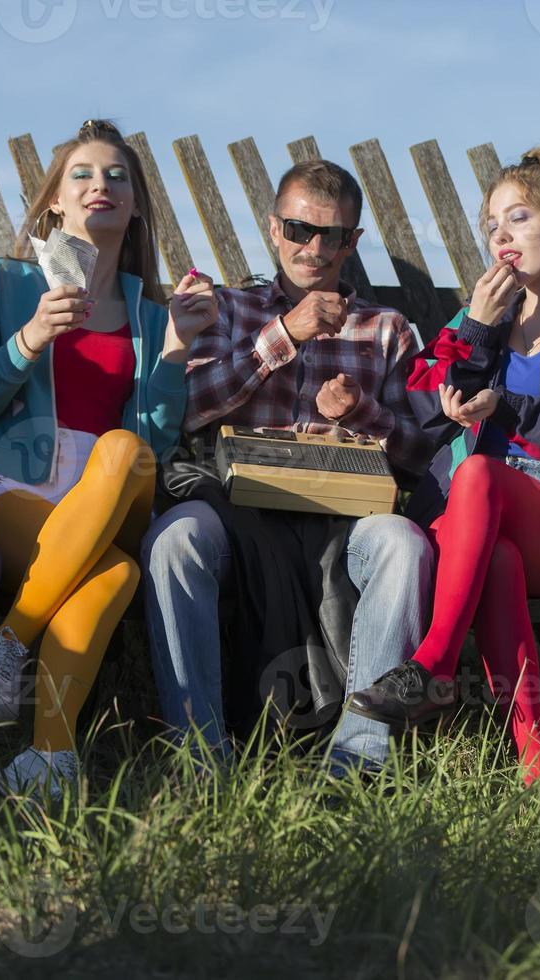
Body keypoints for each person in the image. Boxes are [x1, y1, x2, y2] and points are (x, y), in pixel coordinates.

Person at [345, 147, 540, 785]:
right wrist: (478, 331)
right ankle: (538, 763)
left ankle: (431, 666)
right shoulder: (478, 319)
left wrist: (505, 407)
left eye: (518, 217)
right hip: (473, 537)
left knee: (479, 474)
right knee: (495, 551)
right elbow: (422, 411)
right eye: (491, 225)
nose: (501, 235)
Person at [0, 119, 216, 800]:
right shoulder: (2, 283)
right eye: (84, 175)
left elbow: (151, 444)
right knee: (115, 572)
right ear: (54, 206)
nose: (102, 185)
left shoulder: (151, 315)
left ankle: (7, 644)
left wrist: (178, 348)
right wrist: (32, 337)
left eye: (118, 177)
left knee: (123, 449)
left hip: (109, 493)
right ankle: (50, 759)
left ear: (135, 207)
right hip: (11, 482)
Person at [141, 159, 435, 778]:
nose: (315, 248)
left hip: (345, 518)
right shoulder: (227, 309)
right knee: (174, 541)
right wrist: (283, 336)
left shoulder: (388, 330)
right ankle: (200, 757)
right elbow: (186, 412)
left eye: (333, 235)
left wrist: (367, 415)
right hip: (238, 505)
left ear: (354, 242)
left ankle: (358, 759)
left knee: (403, 544)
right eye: (300, 229)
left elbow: (420, 455)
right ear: (274, 229)